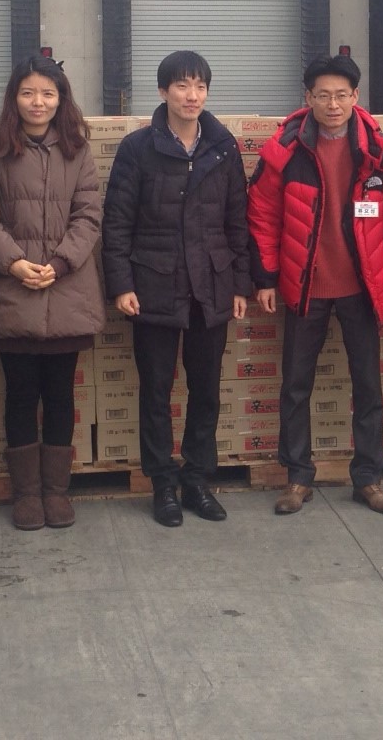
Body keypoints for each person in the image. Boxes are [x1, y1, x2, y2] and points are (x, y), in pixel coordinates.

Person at [249, 54, 383, 517]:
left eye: (341, 95)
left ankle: (368, 479)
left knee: (368, 386)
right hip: (304, 284)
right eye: (323, 95)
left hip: (362, 286)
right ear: (308, 97)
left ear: (355, 97)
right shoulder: (285, 149)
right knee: (295, 386)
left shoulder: (381, 152)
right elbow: (262, 215)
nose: (333, 104)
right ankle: (297, 477)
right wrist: (265, 277)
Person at [101, 51, 251, 528]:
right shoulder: (138, 148)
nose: (192, 96)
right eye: (182, 86)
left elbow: (237, 221)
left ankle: (197, 480)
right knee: (156, 390)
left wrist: (240, 284)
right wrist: (121, 284)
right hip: (154, 283)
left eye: (200, 86)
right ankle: (162, 484)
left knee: (205, 389)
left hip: (211, 284)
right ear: (163, 91)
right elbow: (117, 222)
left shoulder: (223, 147)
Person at [0, 55, 105, 531]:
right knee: (20, 393)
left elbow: (89, 215)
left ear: (61, 99)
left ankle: (56, 492)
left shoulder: (77, 148)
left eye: (48, 93)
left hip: (67, 290)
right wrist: (14, 263)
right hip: (12, 291)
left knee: (61, 393)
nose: (38, 102)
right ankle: (27, 494)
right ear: (14, 98)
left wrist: (61, 262)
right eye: (28, 92)